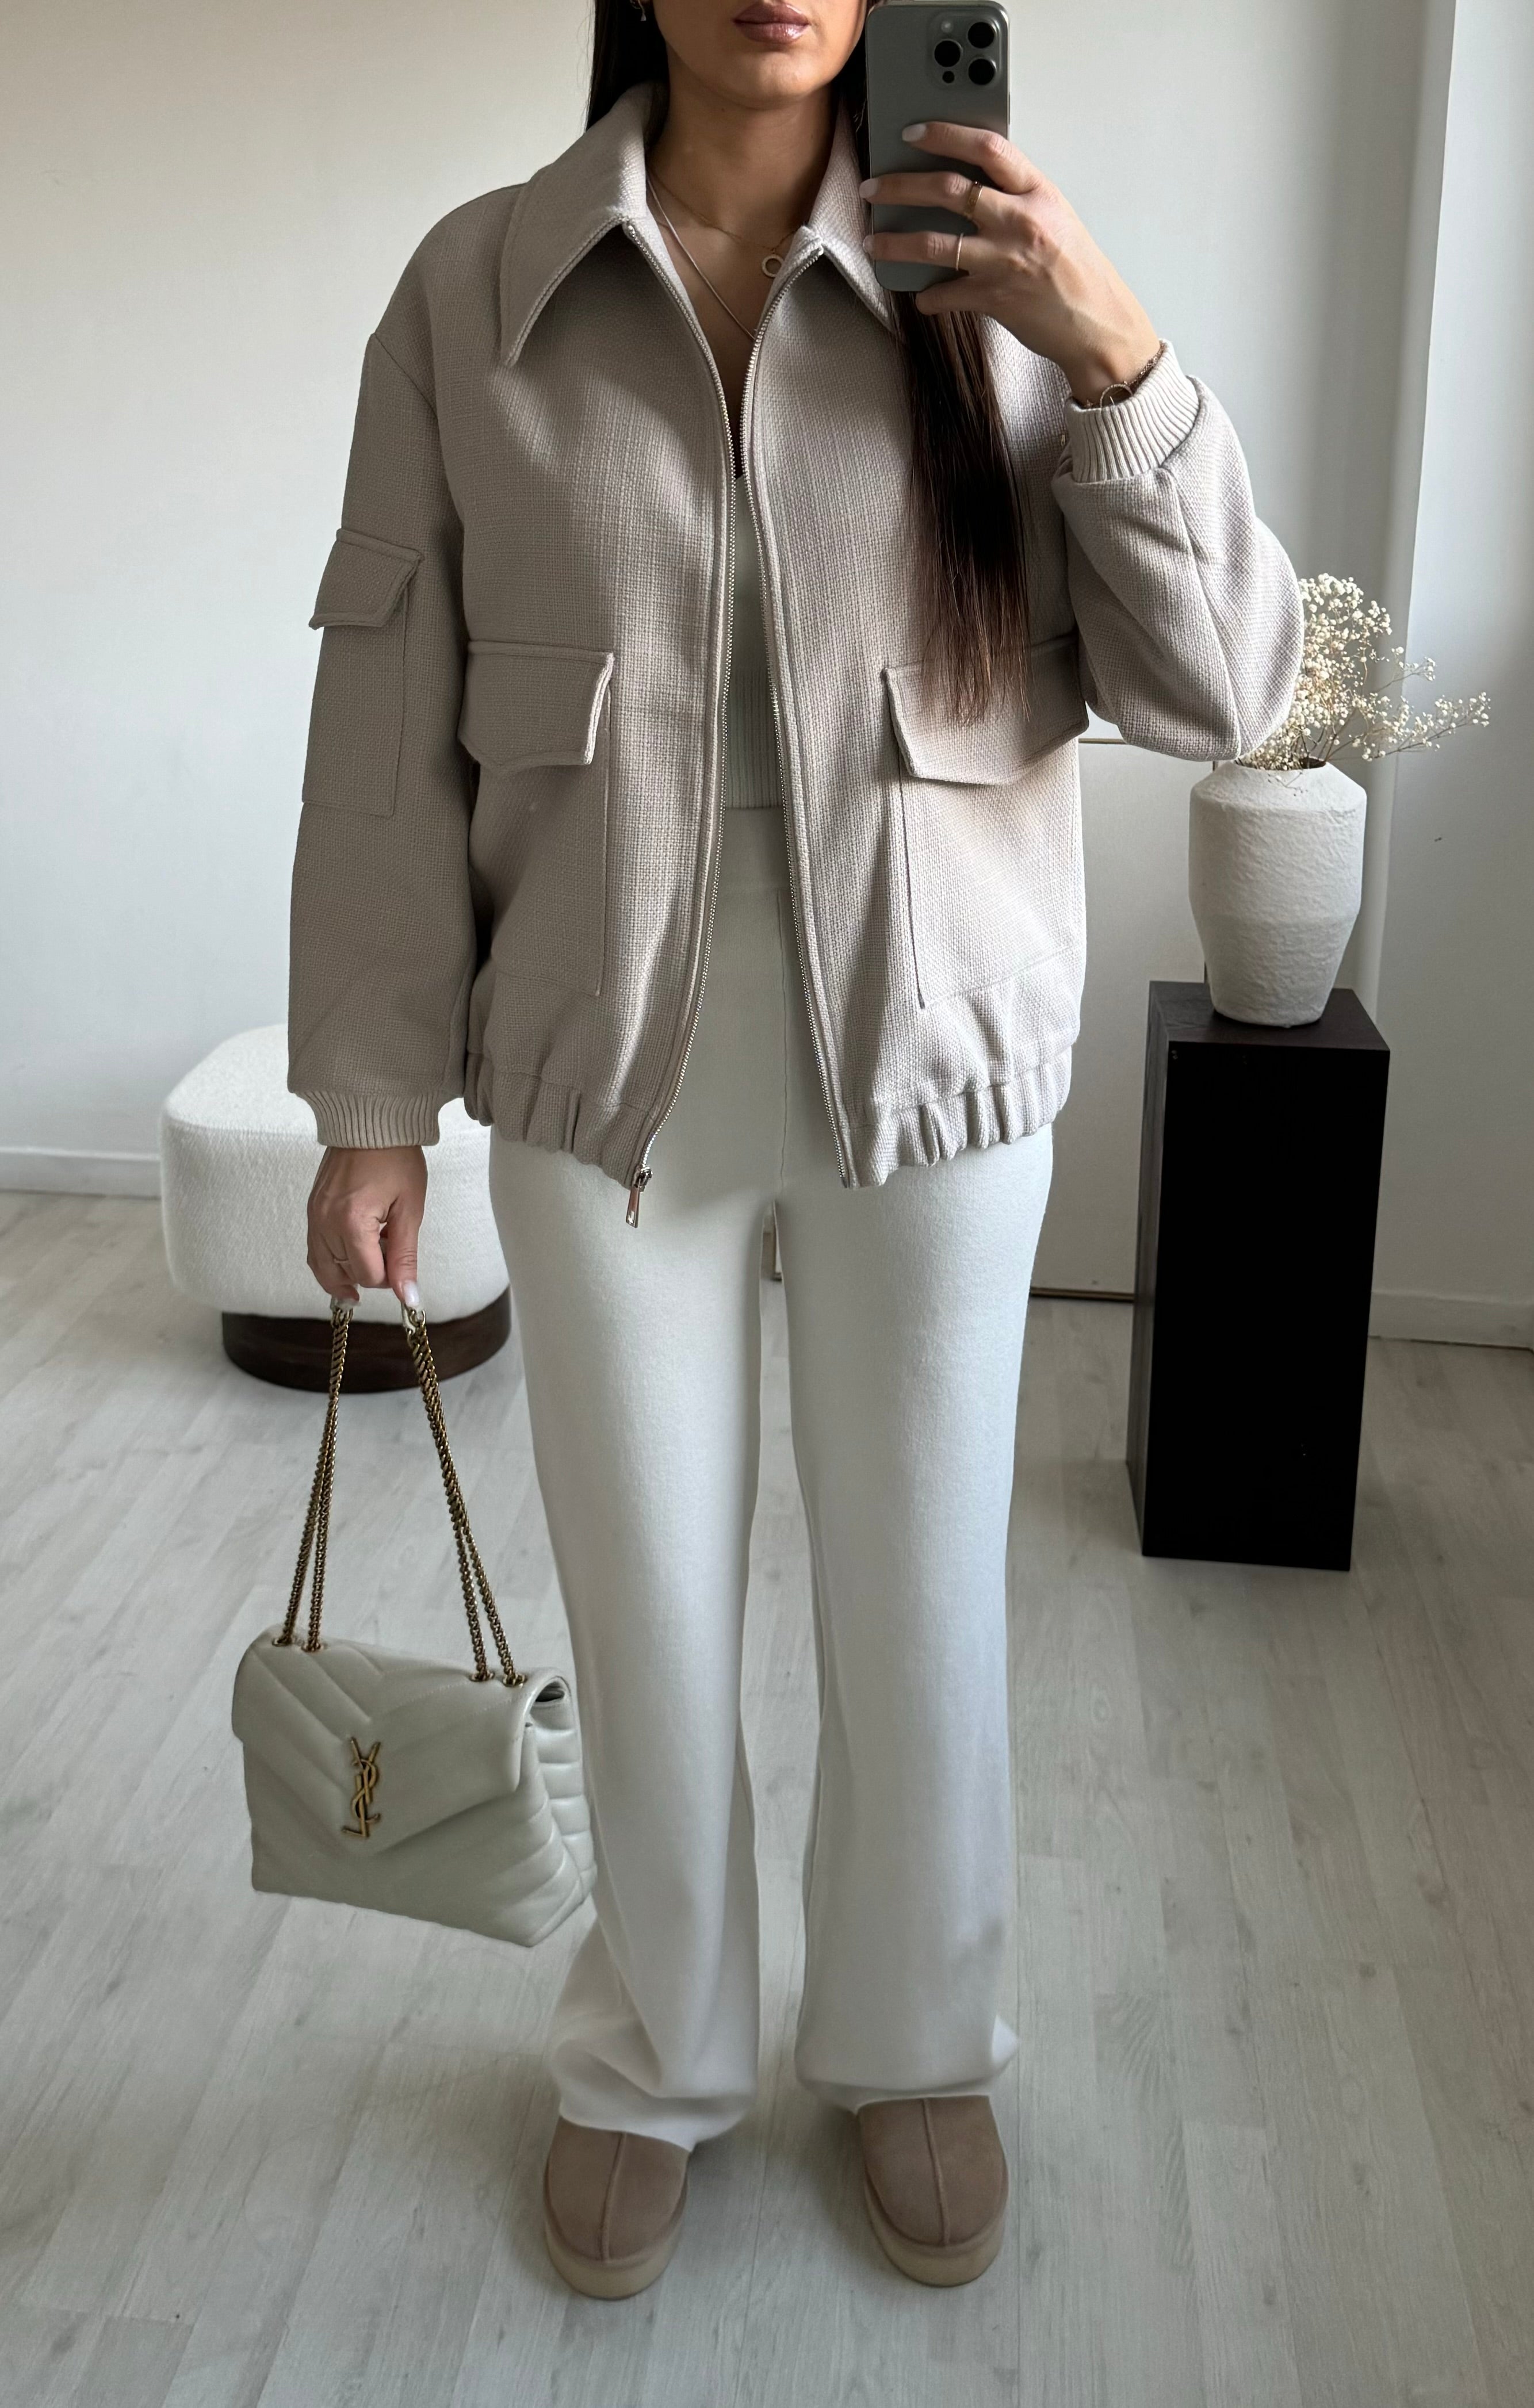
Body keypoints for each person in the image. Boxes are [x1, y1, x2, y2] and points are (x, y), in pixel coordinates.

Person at [292, 0, 1301, 2299]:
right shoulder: (476, 290)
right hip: (598, 1078)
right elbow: (383, 713)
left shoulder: (1004, 280)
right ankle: (654, 2051)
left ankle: (913, 2042)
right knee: (644, 1603)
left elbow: (1224, 690)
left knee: (920, 1593)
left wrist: (1113, 350)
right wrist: (368, 1098)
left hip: (929, 1068)